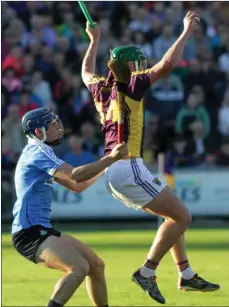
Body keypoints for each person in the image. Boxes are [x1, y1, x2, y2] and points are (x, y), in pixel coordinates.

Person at [81, 11, 220, 305]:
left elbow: (85, 72)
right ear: (128, 65)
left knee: (172, 218)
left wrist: (93, 42)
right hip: (127, 166)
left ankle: (186, 273)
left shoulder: (99, 89)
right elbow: (168, 64)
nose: (141, 67)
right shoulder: (131, 85)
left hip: (114, 170)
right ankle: (147, 271)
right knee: (183, 217)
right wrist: (184, 33)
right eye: (137, 62)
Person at [12, 108, 128, 307]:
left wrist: (107, 165)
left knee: (96, 266)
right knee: (78, 267)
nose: (59, 127)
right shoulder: (37, 151)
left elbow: (77, 186)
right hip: (28, 231)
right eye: (53, 125)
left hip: (40, 228)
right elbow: (76, 175)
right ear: (39, 132)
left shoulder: (44, 151)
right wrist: (110, 158)